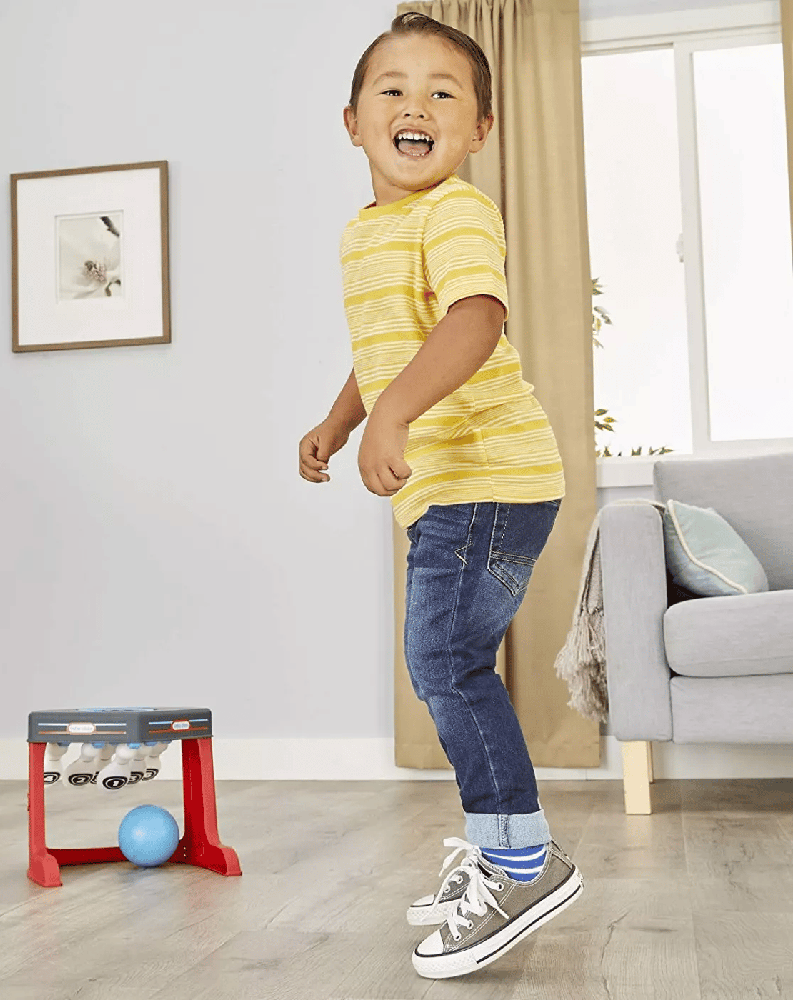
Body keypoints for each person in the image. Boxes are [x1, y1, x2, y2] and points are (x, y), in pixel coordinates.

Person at [297, 12, 584, 980]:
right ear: (352, 122)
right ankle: (505, 845)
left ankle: (521, 861)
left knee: (445, 661)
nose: (414, 104)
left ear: (479, 130)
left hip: (488, 477)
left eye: (441, 92)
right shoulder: (368, 232)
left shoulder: (455, 212)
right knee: (445, 661)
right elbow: (392, 344)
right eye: (392, 89)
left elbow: (473, 318)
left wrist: (394, 415)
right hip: (456, 489)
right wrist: (345, 418)